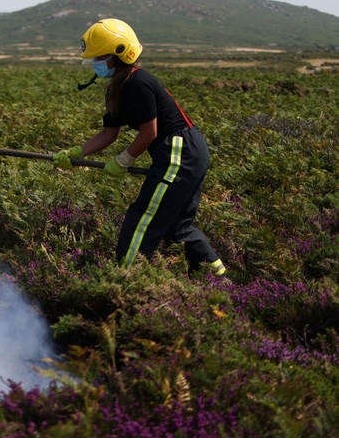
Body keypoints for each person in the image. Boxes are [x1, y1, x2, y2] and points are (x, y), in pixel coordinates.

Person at [53, 18, 226, 278]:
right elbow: (108, 133)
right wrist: (77, 153)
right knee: (177, 228)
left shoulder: (137, 83)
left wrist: (123, 160)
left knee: (142, 219)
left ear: (119, 54)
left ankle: (125, 279)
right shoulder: (118, 88)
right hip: (189, 150)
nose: (95, 64)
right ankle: (220, 280)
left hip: (179, 151)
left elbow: (150, 132)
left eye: (99, 57)